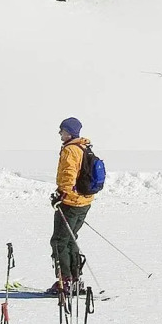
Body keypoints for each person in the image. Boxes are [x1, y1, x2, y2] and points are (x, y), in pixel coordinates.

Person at [49, 117, 94, 292]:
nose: (60, 133)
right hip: (84, 201)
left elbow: (68, 174)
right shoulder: (84, 147)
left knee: (59, 241)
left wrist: (62, 194)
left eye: (62, 130)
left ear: (69, 132)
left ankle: (65, 280)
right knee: (70, 239)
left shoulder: (70, 150)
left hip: (71, 202)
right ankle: (75, 278)